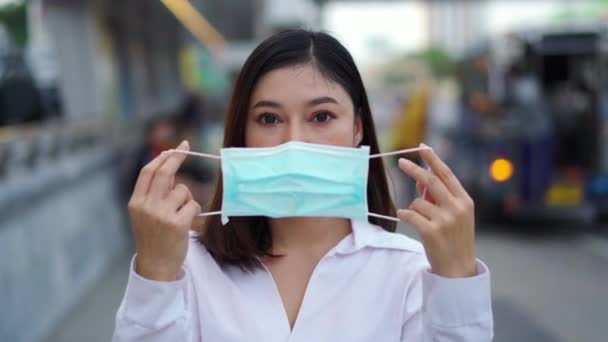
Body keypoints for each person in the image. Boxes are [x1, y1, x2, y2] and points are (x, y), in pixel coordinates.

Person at [113, 30, 493, 341]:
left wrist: (456, 278)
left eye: (322, 116)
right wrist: (155, 272)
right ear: (241, 133)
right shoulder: (187, 266)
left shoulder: (411, 271)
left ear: (357, 128)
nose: (294, 142)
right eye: (268, 119)